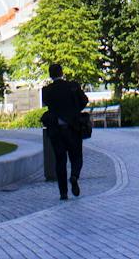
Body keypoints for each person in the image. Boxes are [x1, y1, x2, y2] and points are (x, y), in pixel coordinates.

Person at [41, 62, 88, 200]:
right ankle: (74, 176)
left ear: (50, 75)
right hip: (73, 128)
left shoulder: (47, 90)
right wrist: (74, 111)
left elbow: (47, 103)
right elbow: (84, 101)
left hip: (56, 130)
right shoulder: (72, 86)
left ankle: (63, 192)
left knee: (60, 160)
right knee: (76, 156)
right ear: (62, 73)